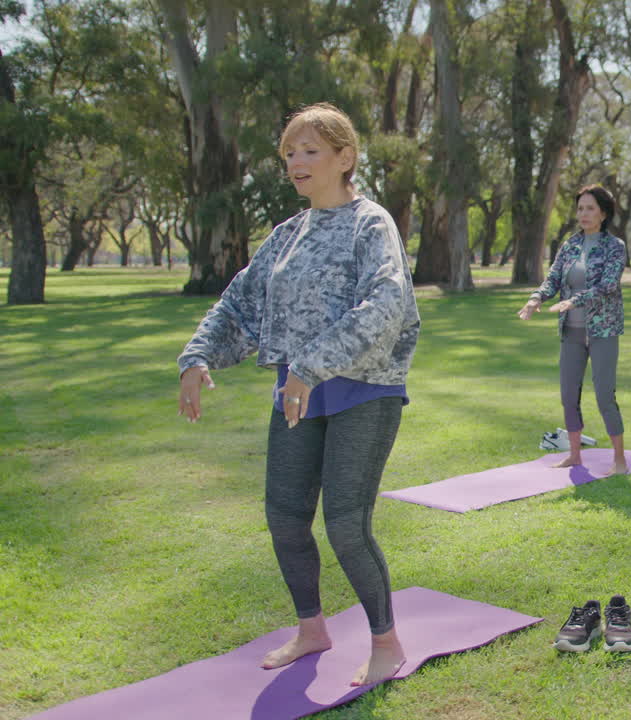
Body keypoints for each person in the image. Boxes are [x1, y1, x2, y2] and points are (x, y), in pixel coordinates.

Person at [177, 103, 420, 685]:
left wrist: (311, 366)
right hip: (296, 391)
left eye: (309, 150)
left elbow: (387, 305)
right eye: (289, 153)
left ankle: (386, 643)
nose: (296, 162)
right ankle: (312, 630)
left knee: (344, 522)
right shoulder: (287, 233)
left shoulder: (372, 223)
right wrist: (198, 355)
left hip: (364, 390)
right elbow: (240, 301)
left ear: (345, 157)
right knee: (285, 516)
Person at [518, 184, 628, 476]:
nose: (584, 213)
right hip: (572, 331)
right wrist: (535, 299)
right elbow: (553, 278)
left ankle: (619, 460)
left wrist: (573, 301)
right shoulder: (570, 246)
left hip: (602, 329)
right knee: (569, 395)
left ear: (603, 213)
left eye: (590, 208)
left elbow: (607, 285)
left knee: (605, 395)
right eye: (580, 208)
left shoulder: (614, 247)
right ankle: (575, 456)